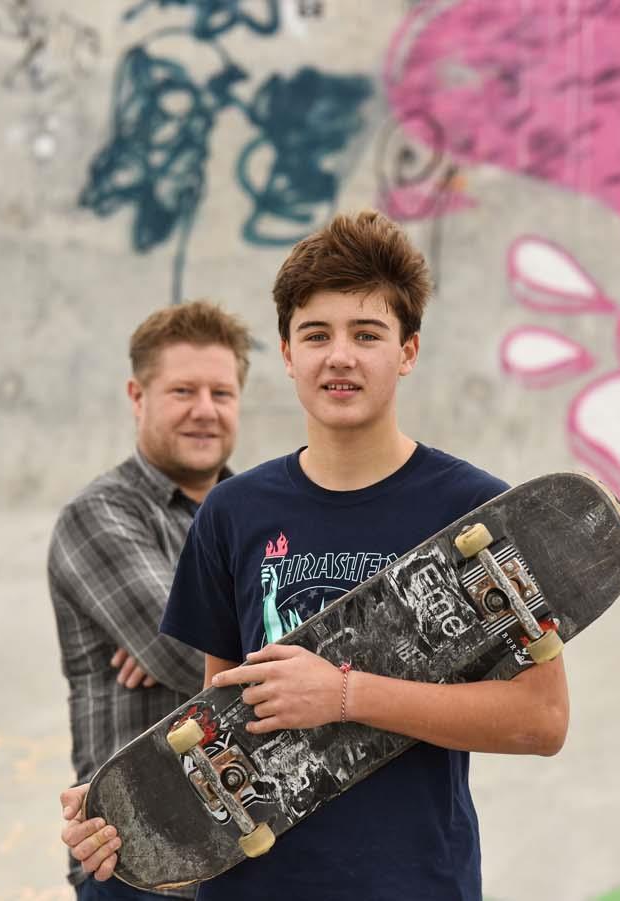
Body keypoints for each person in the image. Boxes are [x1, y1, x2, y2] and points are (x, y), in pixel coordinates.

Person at [61, 211, 570, 900]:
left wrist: (344, 694)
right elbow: (220, 721)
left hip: (416, 882)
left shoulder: (473, 509)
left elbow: (541, 718)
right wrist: (124, 805)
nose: (340, 356)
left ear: (408, 351)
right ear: (287, 353)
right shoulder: (233, 512)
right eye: (317, 334)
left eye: (367, 334)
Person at [49, 301, 254, 900]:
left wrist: (204, 632)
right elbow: (185, 654)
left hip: (248, 856)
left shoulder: (259, 514)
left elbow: (215, 652)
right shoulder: (100, 515)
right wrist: (207, 637)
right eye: (182, 391)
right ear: (138, 396)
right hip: (138, 865)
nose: (205, 410)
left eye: (221, 393)